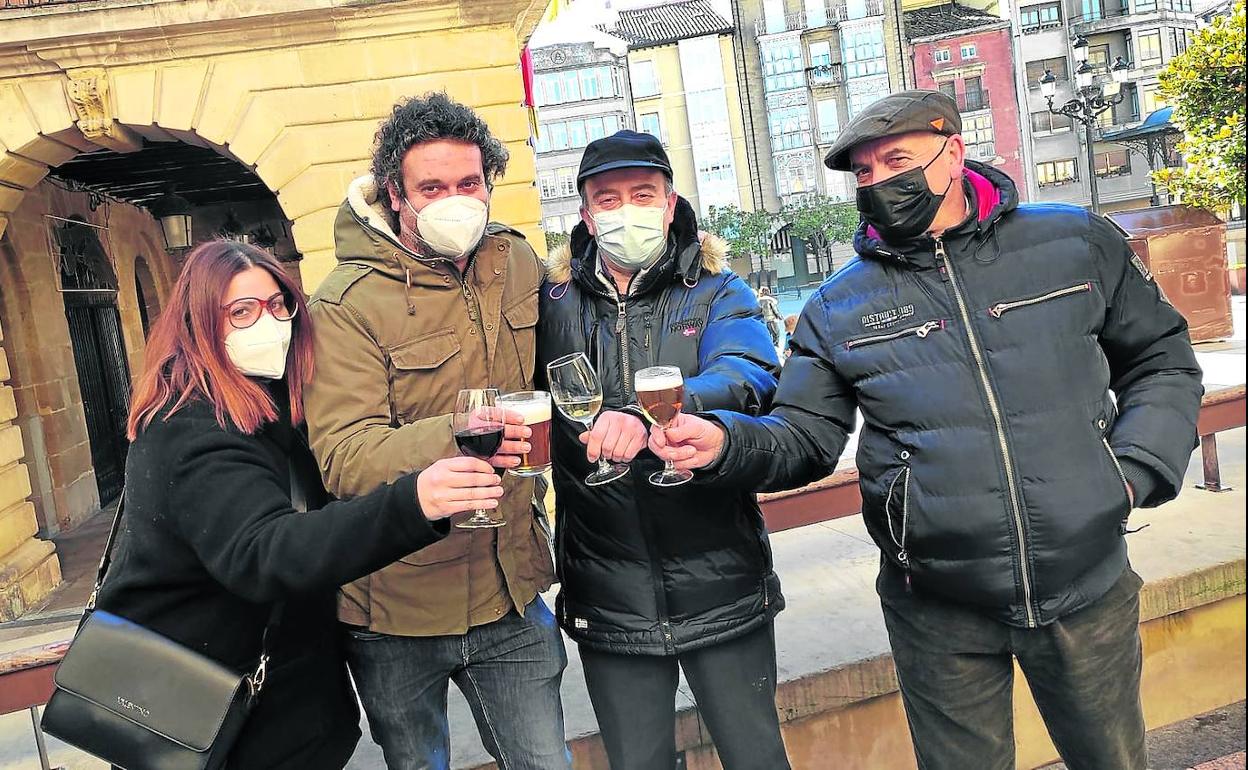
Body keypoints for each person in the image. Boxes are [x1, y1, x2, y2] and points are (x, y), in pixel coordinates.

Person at [651, 91, 1203, 770]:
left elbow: (1162, 360)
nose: (879, 180)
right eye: (863, 172)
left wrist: (1132, 473)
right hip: (936, 606)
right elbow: (804, 435)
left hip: (1085, 584)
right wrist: (726, 442)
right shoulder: (837, 306)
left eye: (896, 159)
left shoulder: (1074, 242)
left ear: (954, 152)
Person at [98, 241, 492, 769]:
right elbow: (266, 551)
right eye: (241, 311)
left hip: (278, 710)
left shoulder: (268, 406)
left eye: (278, 303)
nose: (270, 321)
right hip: (215, 717)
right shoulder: (191, 428)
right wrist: (413, 503)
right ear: (199, 326)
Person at [303, 93, 569, 770]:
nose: (456, 200)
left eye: (469, 184)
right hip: (396, 610)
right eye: (432, 187)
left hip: (511, 592)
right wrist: (455, 435)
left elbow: (567, 372)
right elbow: (343, 456)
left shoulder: (515, 261)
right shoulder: (344, 303)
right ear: (396, 194)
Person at [537, 130, 790, 770]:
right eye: (608, 198)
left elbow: (748, 373)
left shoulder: (717, 291)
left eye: (642, 194)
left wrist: (669, 406)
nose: (627, 209)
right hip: (607, 591)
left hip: (719, 581)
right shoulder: (551, 307)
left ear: (671, 201)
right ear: (587, 216)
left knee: (756, 757)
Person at [757, 285, 785, 355]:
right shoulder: (769, 300)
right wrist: (780, 316)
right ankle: (775, 347)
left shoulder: (758, 301)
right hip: (771, 319)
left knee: (767, 335)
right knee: (776, 333)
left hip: (763, 320)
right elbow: (774, 310)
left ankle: (767, 348)